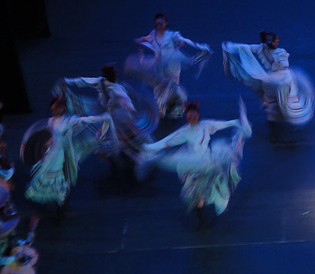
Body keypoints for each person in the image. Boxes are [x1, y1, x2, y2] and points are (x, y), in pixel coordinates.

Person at [137, 99, 251, 228]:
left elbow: (221, 124)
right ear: (187, 116)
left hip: (209, 162)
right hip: (193, 166)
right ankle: (202, 220)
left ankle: (215, 206)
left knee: (217, 186)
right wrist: (148, 147)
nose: (192, 117)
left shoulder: (206, 125)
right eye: (189, 115)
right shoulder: (184, 132)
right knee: (196, 194)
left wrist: (235, 123)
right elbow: (166, 142)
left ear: (197, 115)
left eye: (194, 115)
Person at [21, 96, 119, 221]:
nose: (53, 111)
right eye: (52, 108)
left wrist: (104, 118)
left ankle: (60, 209)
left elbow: (89, 120)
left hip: (63, 155)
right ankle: (57, 204)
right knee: (45, 176)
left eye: (55, 108)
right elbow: (50, 134)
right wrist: (42, 143)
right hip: (52, 154)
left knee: (62, 181)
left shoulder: (70, 121)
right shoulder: (52, 121)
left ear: (62, 108)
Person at [222, 31, 315, 142]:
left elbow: (245, 47)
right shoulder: (280, 52)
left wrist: (231, 46)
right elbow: (284, 68)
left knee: (272, 105)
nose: (277, 41)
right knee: (287, 103)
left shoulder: (260, 49)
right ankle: (288, 120)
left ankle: (274, 130)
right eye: (275, 39)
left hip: (270, 82)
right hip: (281, 83)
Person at [56, 65, 159, 165]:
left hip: (115, 115)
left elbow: (84, 81)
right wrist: (132, 110)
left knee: (122, 136)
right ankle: (143, 154)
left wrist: (67, 81)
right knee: (129, 134)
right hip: (117, 116)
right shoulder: (114, 87)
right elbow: (125, 101)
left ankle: (137, 154)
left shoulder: (102, 82)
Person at [127, 13, 212, 119]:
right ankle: (161, 107)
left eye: (161, 23)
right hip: (159, 65)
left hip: (172, 65)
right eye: (157, 23)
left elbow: (185, 41)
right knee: (158, 86)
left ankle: (178, 107)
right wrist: (140, 45)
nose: (159, 25)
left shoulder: (172, 35)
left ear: (165, 23)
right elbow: (144, 39)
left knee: (173, 86)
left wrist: (198, 45)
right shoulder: (153, 35)